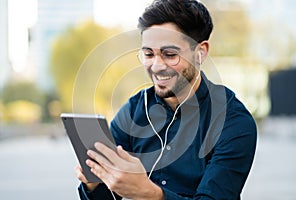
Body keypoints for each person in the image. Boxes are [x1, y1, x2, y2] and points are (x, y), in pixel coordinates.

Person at [75, 0, 257, 199]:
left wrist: (150, 193)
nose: (156, 66)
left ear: (200, 53)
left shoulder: (233, 122)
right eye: (148, 54)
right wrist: (94, 184)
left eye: (170, 54)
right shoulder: (133, 110)